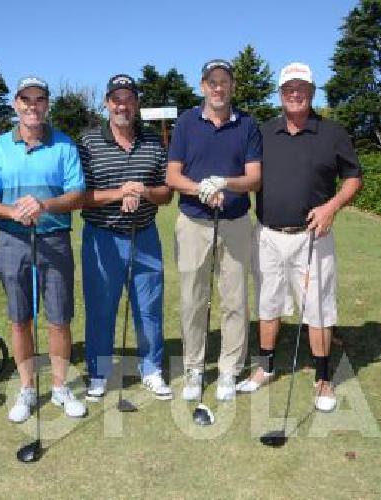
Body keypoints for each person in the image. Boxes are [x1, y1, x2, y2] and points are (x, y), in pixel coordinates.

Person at [235, 62, 363, 412]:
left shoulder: (332, 132)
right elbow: (245, 173)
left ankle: (323, 379)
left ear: (312, 93)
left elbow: (353, 177)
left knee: (318, 308)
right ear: (280, 94)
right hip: (268, 235)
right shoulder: (263, 132)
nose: (295, 93)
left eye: (301, 88)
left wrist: (331, 207)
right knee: (268, 303)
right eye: (289, 88)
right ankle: (265, 368)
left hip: (312, 236)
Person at [0, 76, 88, 422]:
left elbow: (77, 195)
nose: (32, 106)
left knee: (58, 319)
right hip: (12, 242)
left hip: (54, 240)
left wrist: (44, 205)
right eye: (26, 99)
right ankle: (25, 388)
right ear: (16, 104)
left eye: (39, 100)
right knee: (20, 320)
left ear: (46, 105)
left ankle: (59, 387)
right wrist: (14, 211)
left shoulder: (65, 145)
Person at [165, 59, 262, 402]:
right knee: (193, 300)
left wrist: (225, 182)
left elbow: (254, 177)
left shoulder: (247, 124)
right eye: (212, 82)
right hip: (193, 223)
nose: (218, 88)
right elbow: (172, 177)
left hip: (235, 222)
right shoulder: (186, 123)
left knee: (235, 301)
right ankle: (193, 368)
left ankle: (228, 371)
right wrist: (201, 189)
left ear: (232, 86)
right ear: (202, 85)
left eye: (224, 81)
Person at [77, 74, 174, 402]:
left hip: (144, 236)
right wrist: (119, 193)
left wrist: (144, 191)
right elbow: (80, 196)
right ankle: (99, 372)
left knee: (149, 306)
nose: (122, 105)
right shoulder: (88, 142)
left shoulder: (153, 142)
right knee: (101, 308)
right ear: (107, 103)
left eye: (128, 99)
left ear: (136, 104)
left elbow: (166, 193)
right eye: (116, 99)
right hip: (101, 238)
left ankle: (151, 369)